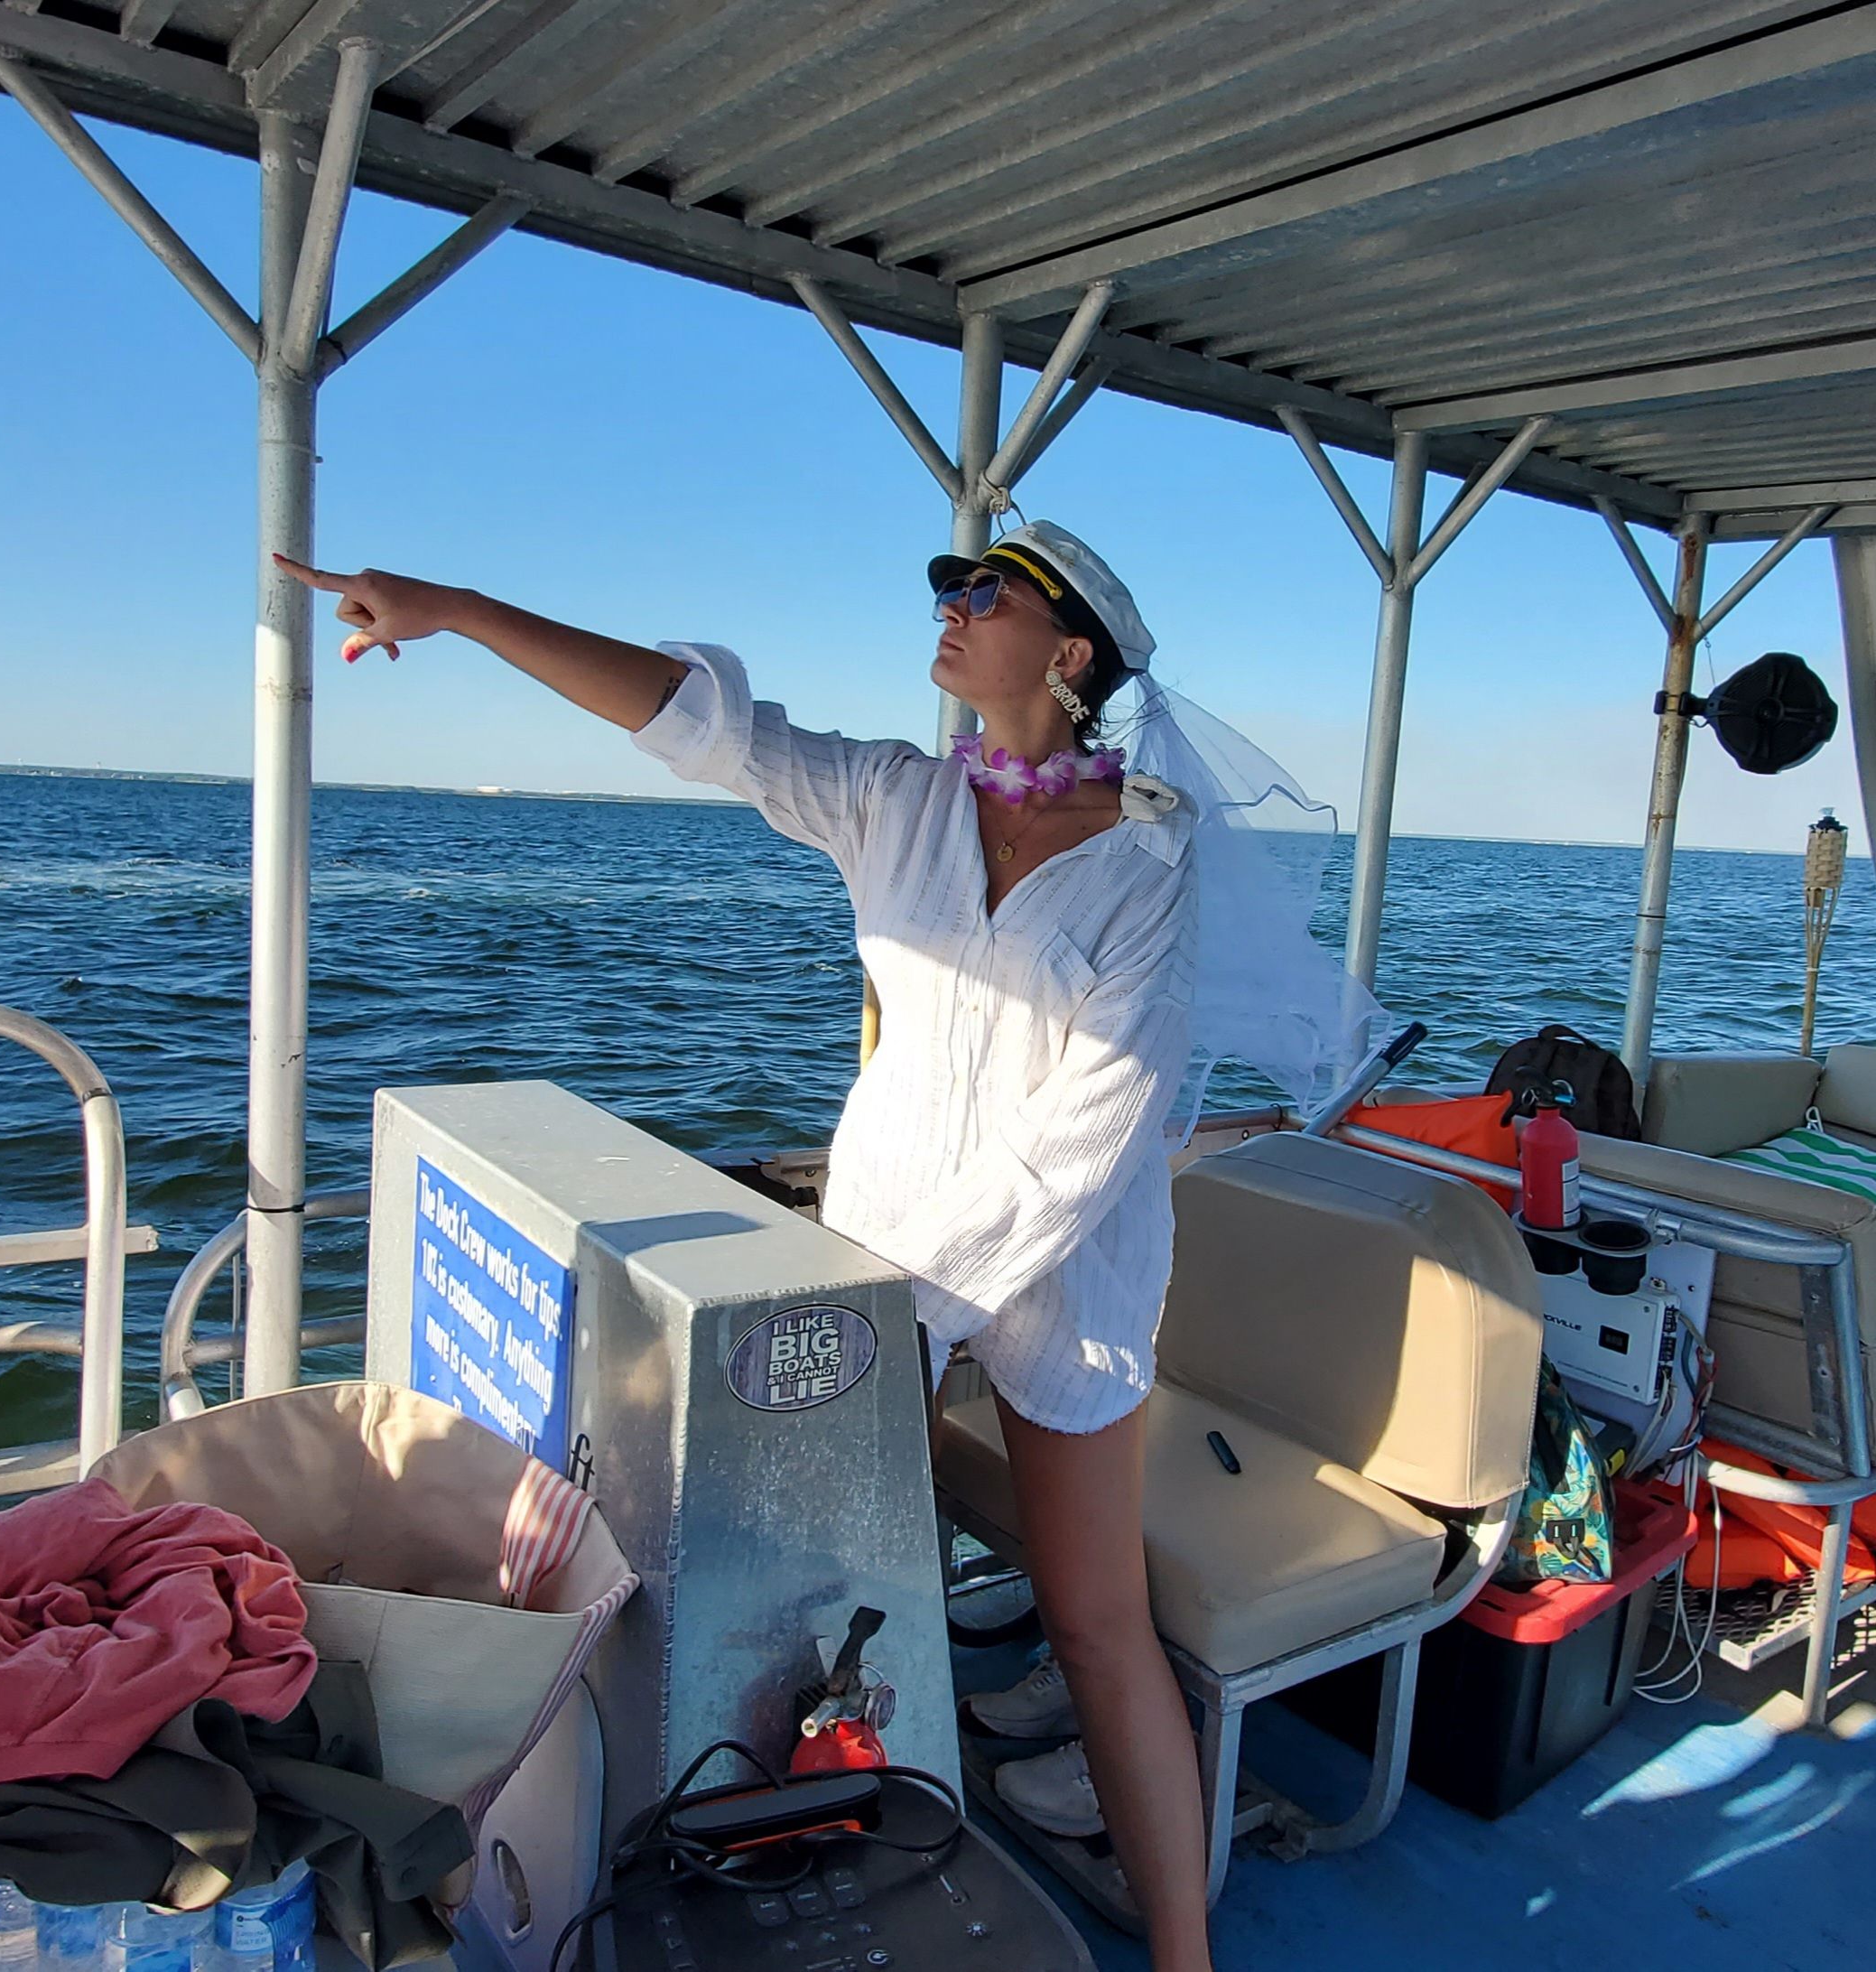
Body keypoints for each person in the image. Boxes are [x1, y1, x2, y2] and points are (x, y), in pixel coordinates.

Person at [279, 521, 1221, 1969]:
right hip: (882, 1248)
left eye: (987, 595)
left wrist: (885, 1318)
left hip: (1056, 1270)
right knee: (829, 1609)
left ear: (1071, 653)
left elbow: (1085, 1143)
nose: (952, 610)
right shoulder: (895, 798)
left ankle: (1181, 1954)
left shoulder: (1151, 863)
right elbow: (699, 719)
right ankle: (818, 1893)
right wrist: (461, 607)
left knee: (1098, 1626)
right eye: (947, 588)